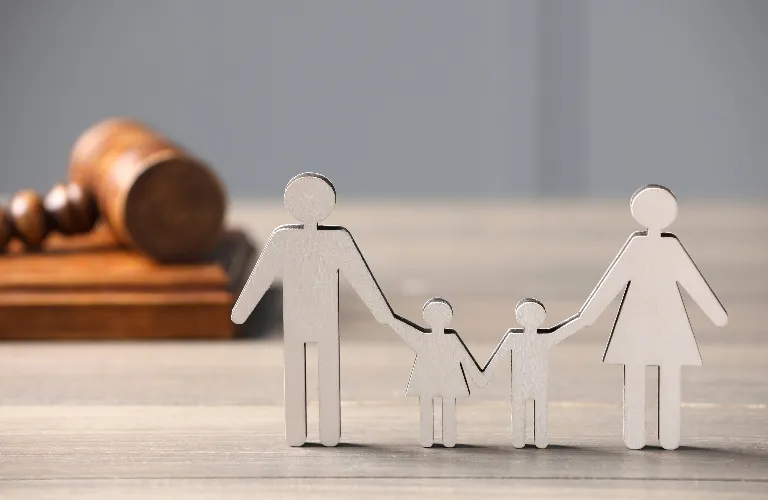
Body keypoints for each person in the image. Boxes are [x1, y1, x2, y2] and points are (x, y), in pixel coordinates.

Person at [231, 172, 394, 447]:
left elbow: (360, 276)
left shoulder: (334, 240)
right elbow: (262, 274)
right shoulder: (285, 239)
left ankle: (326, 432)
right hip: (300, 318)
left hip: (322, 318)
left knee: (324, 373)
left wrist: (381, 310)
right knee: (298, 373)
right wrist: (242, 310)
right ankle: (299, 432)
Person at [578, 184, 728, 450]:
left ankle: (661, 435)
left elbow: (693, 281)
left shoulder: (665, 247)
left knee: (659, 371)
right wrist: (588, 314)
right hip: (647, 320)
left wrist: (588, 316)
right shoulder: (640, 246)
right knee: (643, 371)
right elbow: (613, 281)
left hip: (660, 320)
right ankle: (641, 435)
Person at [482, 298, 583, 448]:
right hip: (520, 383)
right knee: (519, 409)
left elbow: (564, 330)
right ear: (520, 317)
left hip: (538, 383)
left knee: (539, 408)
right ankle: (519, 439)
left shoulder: (544, 338)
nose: (531, 319)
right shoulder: (514, 337)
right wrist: (483, 375)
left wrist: (582, 320)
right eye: (527, 315)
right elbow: (497, 357)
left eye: (535, 315)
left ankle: (540, 439)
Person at [389, 298, 486, 448]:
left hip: (445, 379)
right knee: (429, 405)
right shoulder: (424, 337)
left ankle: (445, 438)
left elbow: (465, 358)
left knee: (445, 405)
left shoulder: (448, 339)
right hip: (432, 379)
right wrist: (480, 377)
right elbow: (403, 329)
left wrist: (480, 376)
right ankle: (430, 438)